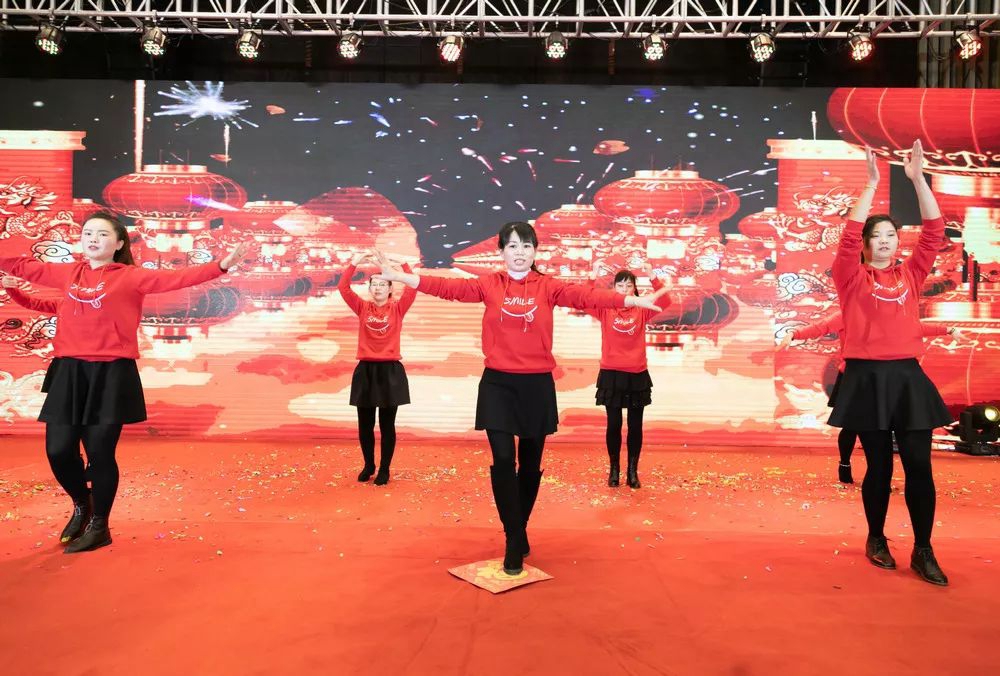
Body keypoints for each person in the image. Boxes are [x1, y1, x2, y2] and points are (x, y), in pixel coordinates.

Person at [373, 222, 664, 575]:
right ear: (501, 251)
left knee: (529, 465)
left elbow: (587, 297)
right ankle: (514, 537)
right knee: (502, 459)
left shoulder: (548, 286)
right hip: (498, 384)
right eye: (512, 246)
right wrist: (401, 277)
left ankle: (519, 527)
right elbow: (448, 288)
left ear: (535, 250)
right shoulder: (489, 284)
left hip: (536, 385)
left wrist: (629, 300)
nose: (520, 252)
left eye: (526, 245)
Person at [0, 211, 250, 553]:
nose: (93, 239)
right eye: (88, 233)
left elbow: (177, 278)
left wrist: (221, 266)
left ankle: (99, 525)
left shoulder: (132, 277)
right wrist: (12, 284)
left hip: (111, 373)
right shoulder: (68, 273)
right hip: (69, 372)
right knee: (58, 451)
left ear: (119, 243)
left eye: (102, 234)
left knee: (100, 453)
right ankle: (82, 503)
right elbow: (25, 267)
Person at [829, 140, 952, 585]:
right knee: (879, 467)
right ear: (864, 244)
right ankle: (877, 538)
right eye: (876, 236)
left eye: (891, 235)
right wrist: (872, 184)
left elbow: (935, 232)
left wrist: (918, 179)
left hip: (907, 378)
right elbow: (847, 238)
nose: (884, 241)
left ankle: (924, 549)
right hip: (866, 380)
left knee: (919, 466)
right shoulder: (850, 276)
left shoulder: (911, 274)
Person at [781, 312, 961, 484]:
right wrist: (794, 334)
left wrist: (948, 330)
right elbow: (821, 327)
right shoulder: (847, 314)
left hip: (884, 378)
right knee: (851, 426)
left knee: (880, 426)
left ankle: (880, 477)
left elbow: (915, 328)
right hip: (855, 377)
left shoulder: (889, 314)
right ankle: (845, 464)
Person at [587, 262, 669, 489]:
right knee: (613, 425)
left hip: (636, 374)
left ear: (634, 288)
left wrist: (652, 275)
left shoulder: (642, 309)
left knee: (635, 426)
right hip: (611, 373)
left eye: (628, 285)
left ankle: (632, 471)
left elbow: (665, 302)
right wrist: (592, 276)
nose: (624, 289)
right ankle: (614, 469)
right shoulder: (605, 309)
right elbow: (585, 299)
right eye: (620, 286)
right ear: (614, 288)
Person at [337, 252, 417, 486]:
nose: (378, 288)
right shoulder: (362, 307)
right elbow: (343, 288)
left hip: (390, 372)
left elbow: (412, 288)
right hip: (366, 371)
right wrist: (354, 262)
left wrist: (403, 263)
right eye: (375, 284)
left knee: (387, 424)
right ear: (370, 288)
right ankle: (368, 464)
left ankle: (384, 469)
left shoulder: (398, 308)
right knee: (365, 424)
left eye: (383, 284)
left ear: (390, 288)